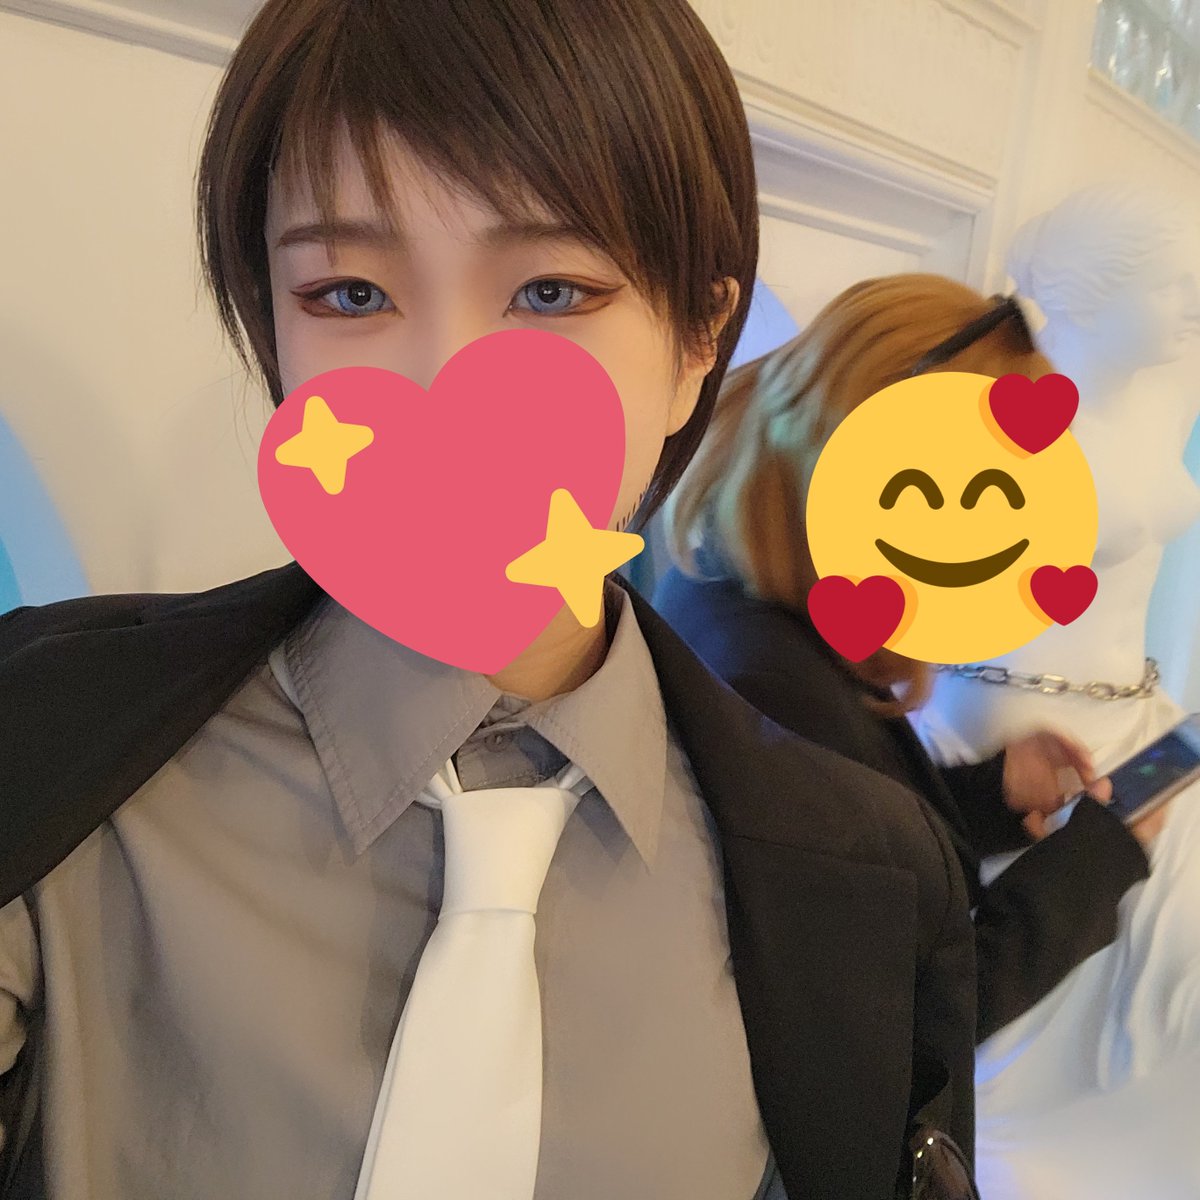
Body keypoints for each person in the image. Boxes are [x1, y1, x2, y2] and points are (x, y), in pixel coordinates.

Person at [0, 4, 977, 1199]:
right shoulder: (48, 753)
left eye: (552, 291)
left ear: (696, 340)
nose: (445, 387)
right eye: (348, 294)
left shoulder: (869, 879)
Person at [653, 272, 1157, 1049]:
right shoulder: (774, 692)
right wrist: (1096, 862)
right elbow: (910, 1025)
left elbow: (845, 846)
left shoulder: (726, 598)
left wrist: (989, 796)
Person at [916, 185, 1200, 1199]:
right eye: (1172, 285)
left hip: (1137, 715)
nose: (1192, 305)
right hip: (1021, 725)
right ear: (1092, 291)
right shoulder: (991, 430)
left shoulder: (1155, 408)